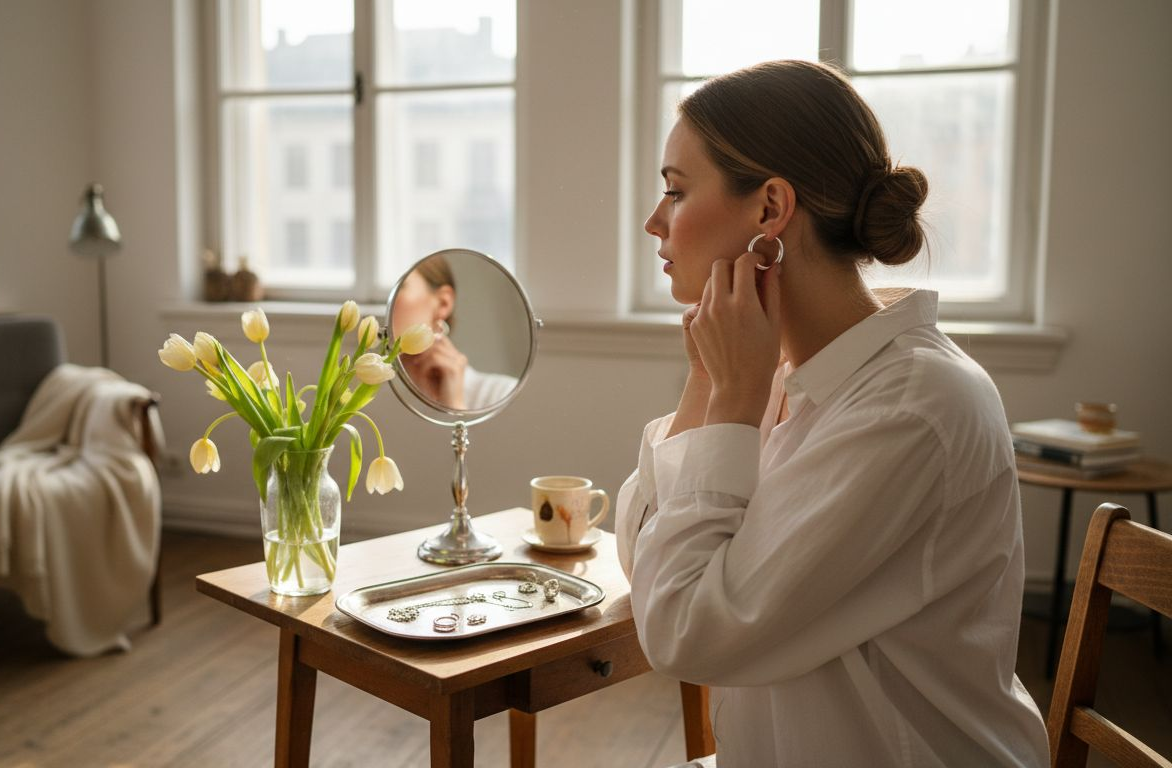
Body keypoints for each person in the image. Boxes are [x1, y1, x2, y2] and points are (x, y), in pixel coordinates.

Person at [615, 60, 1049, 767]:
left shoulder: (912, 408)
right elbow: (646, 555)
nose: (653, 220)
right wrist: (706, 378)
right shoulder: (775, 373)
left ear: (769, 210)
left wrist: (727, 397)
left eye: (675, 191)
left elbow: (684, 634)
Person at [390, 254, 517, 411]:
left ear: (443, 303)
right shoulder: (367, 393)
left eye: (399, 287)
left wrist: (454, 406)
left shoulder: (502, 394)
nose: (387, 302)